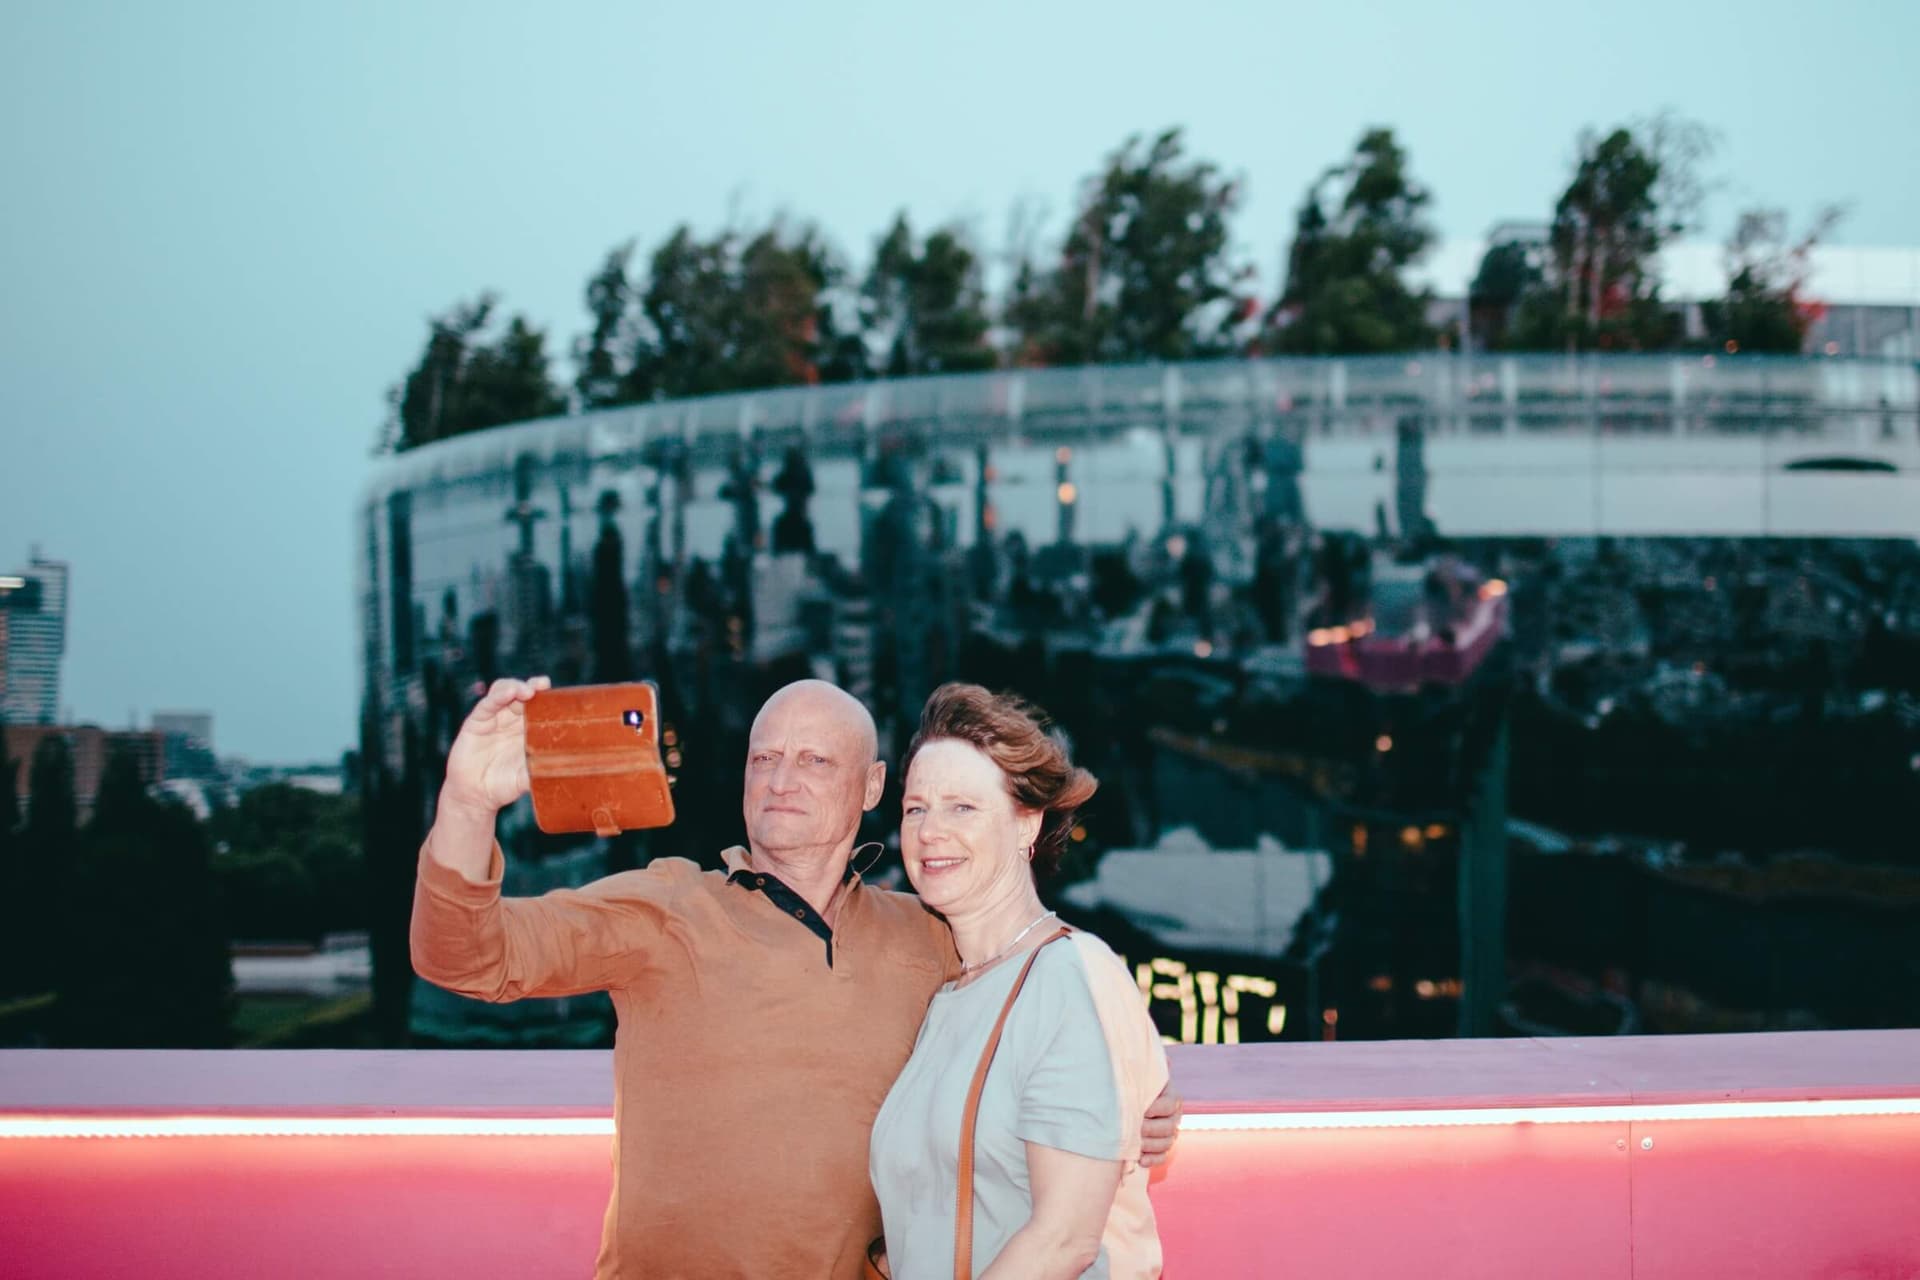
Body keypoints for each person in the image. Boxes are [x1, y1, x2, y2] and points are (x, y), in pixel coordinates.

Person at [411, 676, 1181, 1279]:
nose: (783, 778)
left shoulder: (933, 933)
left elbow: (1044, 1021)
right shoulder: (667, 905)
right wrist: (469, 801)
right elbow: (462, 956)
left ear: (874, 787)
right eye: (765, 757)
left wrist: (1144, 1095)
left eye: (815, 760)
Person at [870, 684, 1168, 1279]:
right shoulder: (946, 993)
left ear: (1027, 823)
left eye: (963, 807)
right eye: (916, 807)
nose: (930, 831)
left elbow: (1065, 1240)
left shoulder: (1071, 975)